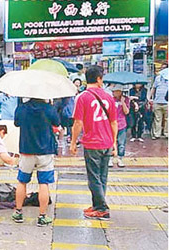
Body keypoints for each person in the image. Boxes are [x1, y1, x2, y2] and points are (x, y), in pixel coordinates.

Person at [70, 65, 118, 220]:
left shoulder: (82, 97)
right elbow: (114, 123)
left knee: (94, 178)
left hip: (92, 143)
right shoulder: (109, 97)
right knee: (102, 176)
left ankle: (102, 208)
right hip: (107, 142)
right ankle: (98, 205)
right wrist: (114, 143)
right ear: (98, 79)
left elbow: (78, 123)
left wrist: (73, 142)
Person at [12, 98, 60, 227]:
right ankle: (42, 216)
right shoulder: (49, 108)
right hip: (45, 151)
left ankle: (18, 213)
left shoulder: (22, 108)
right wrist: (50, 105)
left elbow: (16, 123)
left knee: (22, 181)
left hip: (26, 150)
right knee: (43, 183)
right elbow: (57, 122)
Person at [109, 85, 129, 168]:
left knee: (121, 143)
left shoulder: (126, 99)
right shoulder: (110, 99)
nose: (114, 93)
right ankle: (110, 158)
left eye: (116, 91)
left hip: (121, 124)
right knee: (110, 142)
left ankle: (120, 158)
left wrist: (123, 102)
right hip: (111, 123)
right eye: (113, 91)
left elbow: (126, 112)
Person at [150, 73, 168, 139]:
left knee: (167, 119)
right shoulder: (157, 78)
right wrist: (149, 97)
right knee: (157, 119)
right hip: (157, 101)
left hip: (167, 102)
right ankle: (157, 134)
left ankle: (167, 134)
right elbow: (153, 88)